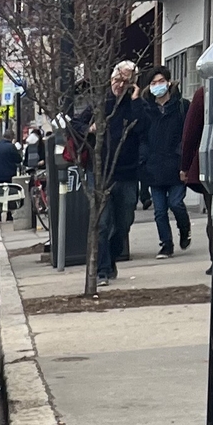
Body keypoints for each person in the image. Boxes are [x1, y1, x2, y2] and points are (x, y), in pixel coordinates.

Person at [91, 61, 146, 281]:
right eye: (117, 79)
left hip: (128, 174)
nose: (120, 84)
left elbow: (142, 128)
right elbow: (77, 124)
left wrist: (135, 101)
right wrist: (90, 128)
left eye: (126, 81)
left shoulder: (135, 106)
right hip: (103, 175)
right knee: (103, 224)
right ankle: (102, 269)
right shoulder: (101, 104)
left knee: (123, 224)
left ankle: (111, 258)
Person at [140, 66, 190, 257]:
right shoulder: (146, 110)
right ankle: (166, 244)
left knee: (176, 203)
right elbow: (142, 138)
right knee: (159, 211)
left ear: (169, 83)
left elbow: (188, 135)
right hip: (154, 167)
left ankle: (184, 229)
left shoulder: (182, 106)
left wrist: (183, 160)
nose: (157, 86)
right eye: (153, 83)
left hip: (177, 166)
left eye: (161, 81)